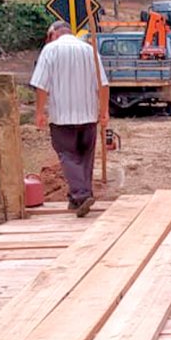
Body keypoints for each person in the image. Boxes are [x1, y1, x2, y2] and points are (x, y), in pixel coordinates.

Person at [31, 20, 109, 217]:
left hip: (62, 116)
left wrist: (39, 112)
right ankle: (78, 199)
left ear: (54, 34)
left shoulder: (50, 51)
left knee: (67, 155)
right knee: (85, 157)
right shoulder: (89, 50)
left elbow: (41, 85)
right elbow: (103, 84)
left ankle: (81, 195)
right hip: (88, 115)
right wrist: (104, 110)